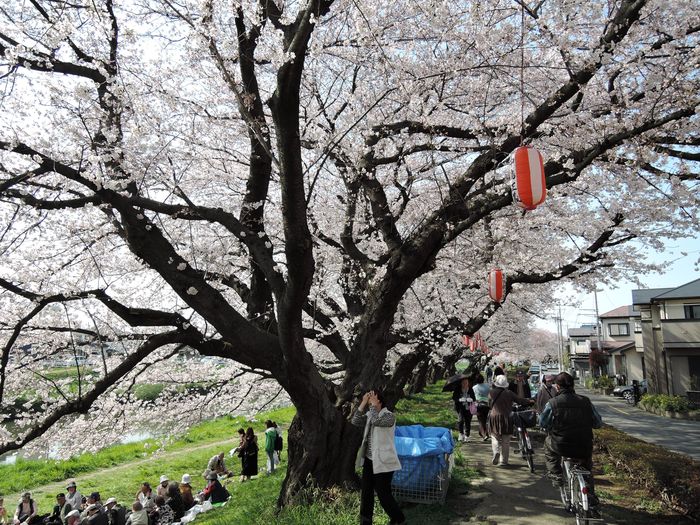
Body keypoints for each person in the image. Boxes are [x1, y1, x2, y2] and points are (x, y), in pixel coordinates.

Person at [539, 372, 603, 507]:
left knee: (548, 444)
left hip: (561, 444)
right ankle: (590, 498)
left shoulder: (553, 403)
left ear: (557, 387)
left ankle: (556, 474)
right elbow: (597, 423)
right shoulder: (585, 401)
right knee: (586, 468)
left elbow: (543, 423)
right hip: (584, 444)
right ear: (573, 385)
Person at [351, 389, 406, 525]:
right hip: (370, 461)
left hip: (384, 461)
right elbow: (355, 420)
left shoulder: (389, 416)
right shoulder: (371, 414)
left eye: (372, 399)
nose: (371, 403)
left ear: (379, 400)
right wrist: (363, 402)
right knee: (366, 492)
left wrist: (374, 407)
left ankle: (398, 519)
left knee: (383, 493)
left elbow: (377, 421)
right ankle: (365, 521)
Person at [488, 374, 533, 467]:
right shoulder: (509, 393)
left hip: (494, 416)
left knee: (494, 436)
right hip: (507, 417)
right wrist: (529, 401)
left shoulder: (491, 392)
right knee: (506, 440)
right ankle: (503, 461)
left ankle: (496, 451)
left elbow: (489, 404)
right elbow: (520, 400)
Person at [451, 376, 475, 442]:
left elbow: (474, 398)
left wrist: (471, 399)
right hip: (460, 407)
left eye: (466, 382)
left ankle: (467, 435)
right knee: (460, 420)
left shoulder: (470, 389)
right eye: (464, 383)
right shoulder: (458, 389)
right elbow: (454, 397)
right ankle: (461, 434)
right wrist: (459, 399)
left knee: (468, 421)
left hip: (468, 408)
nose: (465, 384)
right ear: (461, 383)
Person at [472, 374, 490, 441]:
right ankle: (484, 433)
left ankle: (484, 434)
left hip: (478, 405)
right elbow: (489, 394)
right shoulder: (487, 386)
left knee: (480, 420)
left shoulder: (474, 388)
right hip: (486, 405)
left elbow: (473, 397)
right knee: (484, 420)